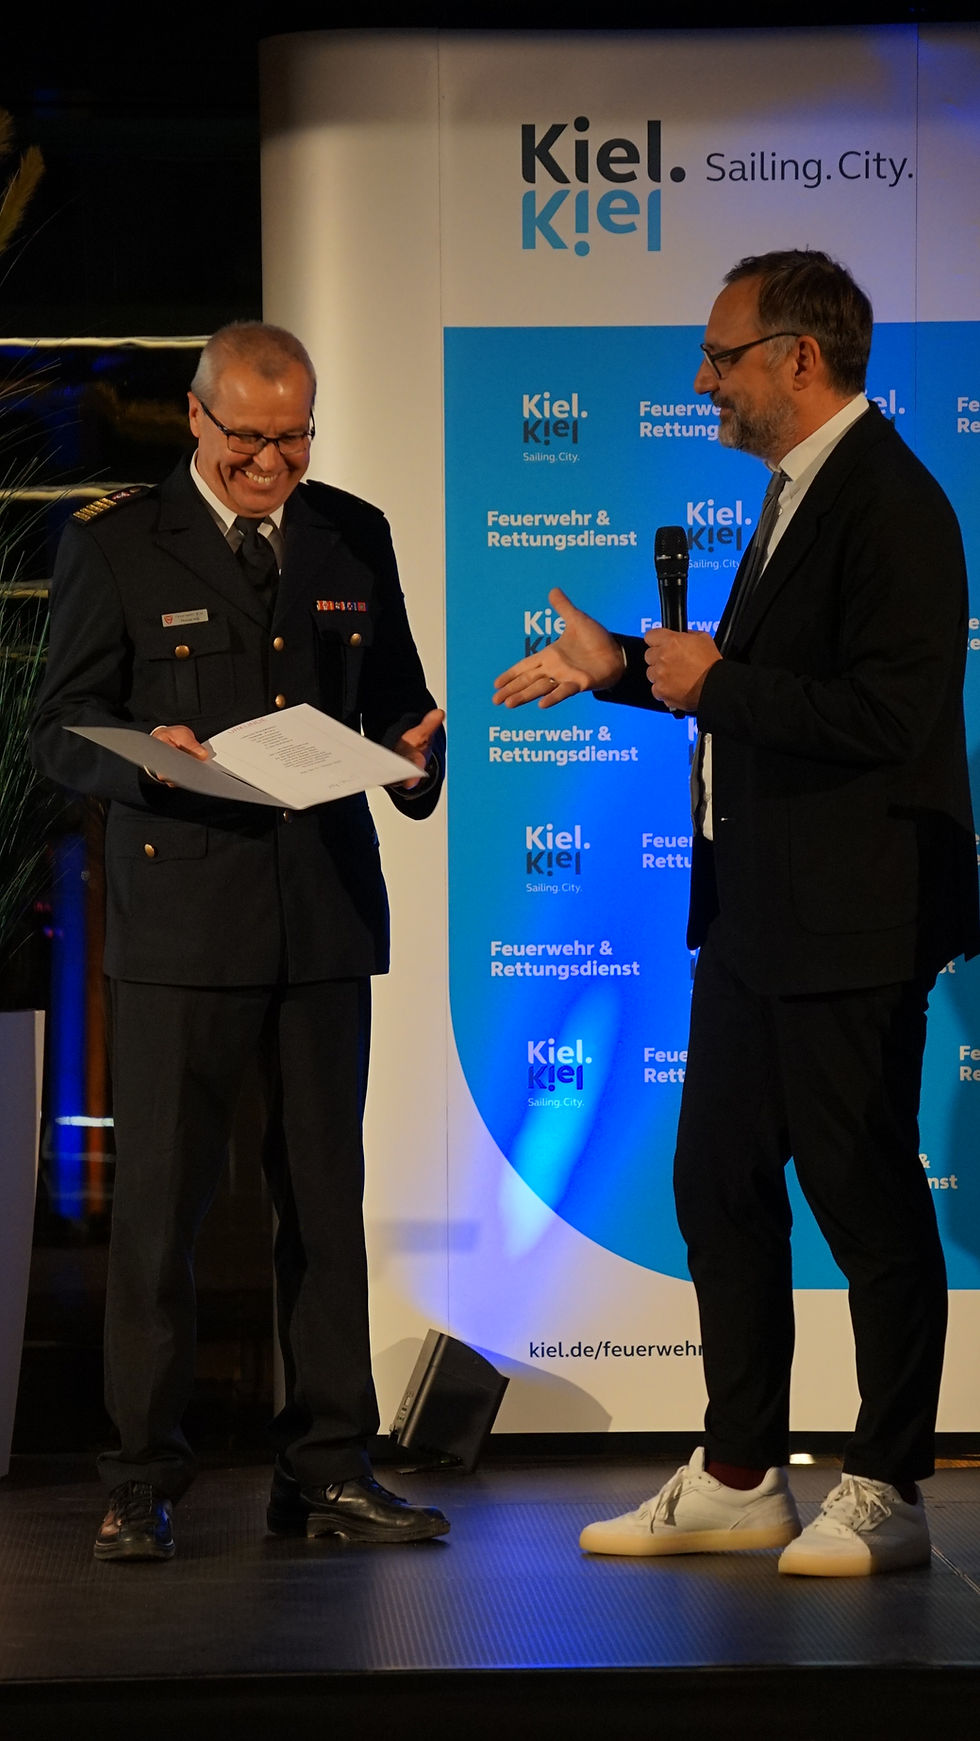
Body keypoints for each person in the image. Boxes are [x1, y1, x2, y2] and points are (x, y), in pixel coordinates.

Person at [494, 251, 979, 1577]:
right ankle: (739, 1472)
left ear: (797, 359)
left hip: (853, 915)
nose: (701, 379)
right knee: (716, 1182)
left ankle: (887, 1481)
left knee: (864, 1198)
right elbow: (747, 684)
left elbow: (886, 714)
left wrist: (712, 680)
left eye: (720, 355)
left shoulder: (893, 503)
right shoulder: (793, 492)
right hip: (758, 914)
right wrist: (619, 669)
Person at [33, 321, 449, 1560]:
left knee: (323, 1205)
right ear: (197, 420)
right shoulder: (114, 541)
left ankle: (326, 1469)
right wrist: (149, 763)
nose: (274, 463)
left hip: (320, 919)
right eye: (251, 440)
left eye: (296, 437)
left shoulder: (351, 533)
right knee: (159, 1216)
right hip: (180, 930)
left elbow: (398, 705)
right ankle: (139, 1478)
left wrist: (416, 759)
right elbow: (61, 725)